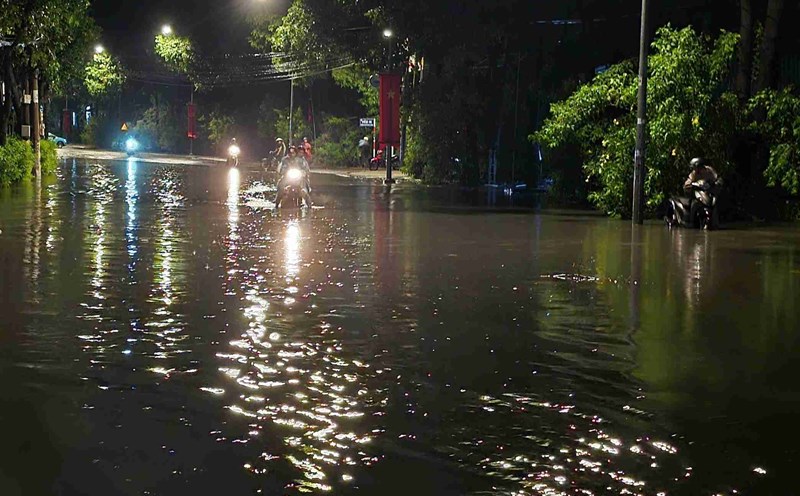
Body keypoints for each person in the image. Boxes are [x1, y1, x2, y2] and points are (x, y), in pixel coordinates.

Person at [683, 157, 722, 228]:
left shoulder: (709, 170)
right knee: (694, 203)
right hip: (699, 192)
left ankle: (716, 222)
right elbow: (688, 182)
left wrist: (717, 183)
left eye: (695, 167)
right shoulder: (693, 173)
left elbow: (717, 178)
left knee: (715, 203)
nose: (694, 169)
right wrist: (690, 185)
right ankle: (691, 221)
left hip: (709, 192)